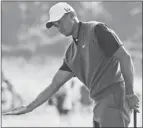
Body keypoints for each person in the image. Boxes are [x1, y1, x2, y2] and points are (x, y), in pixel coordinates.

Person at [3, 2, 140, 127]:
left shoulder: (97, 30)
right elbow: (54, 85)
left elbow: (125, 58)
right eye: (55, 25)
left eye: (59, 22)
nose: (58, 28)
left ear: (71, 15)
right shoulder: (71, 54)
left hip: (114, 97)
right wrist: (29, 107)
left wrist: (130, 93)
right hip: (99, 103)